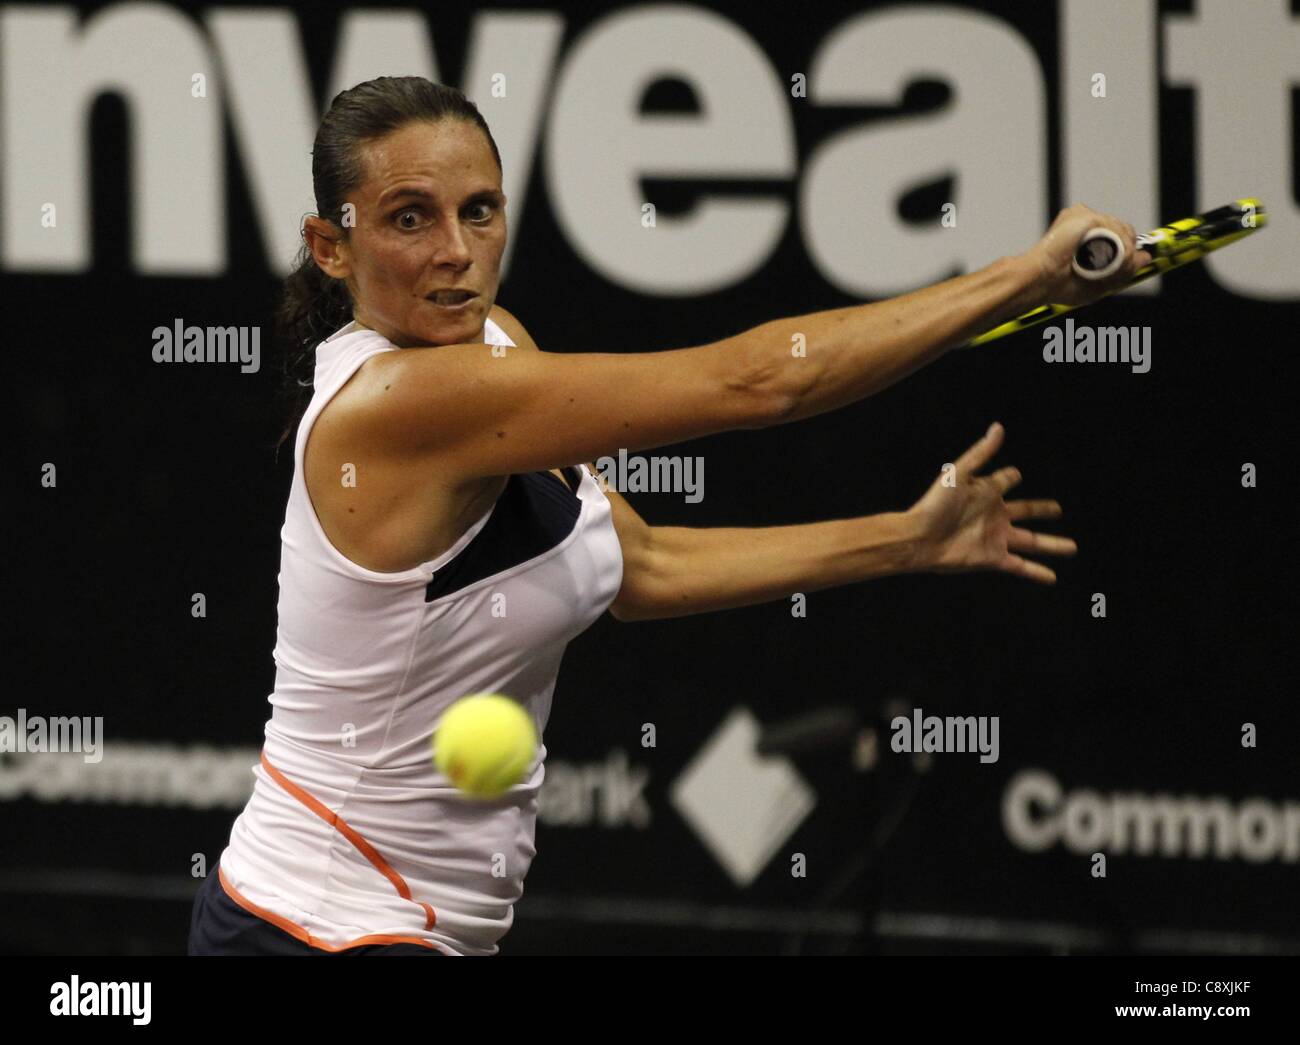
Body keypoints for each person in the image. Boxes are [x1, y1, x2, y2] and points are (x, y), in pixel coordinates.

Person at [187, 75, 1151, 956]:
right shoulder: (402, 403)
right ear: (332, 246)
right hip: (316, 928)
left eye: (479, 211)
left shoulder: (494, 346)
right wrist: (1028, 278)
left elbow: (638, 569)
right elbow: (760, 381)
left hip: (402, 929)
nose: (456, 252)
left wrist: (906, 538)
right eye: (409, 218)